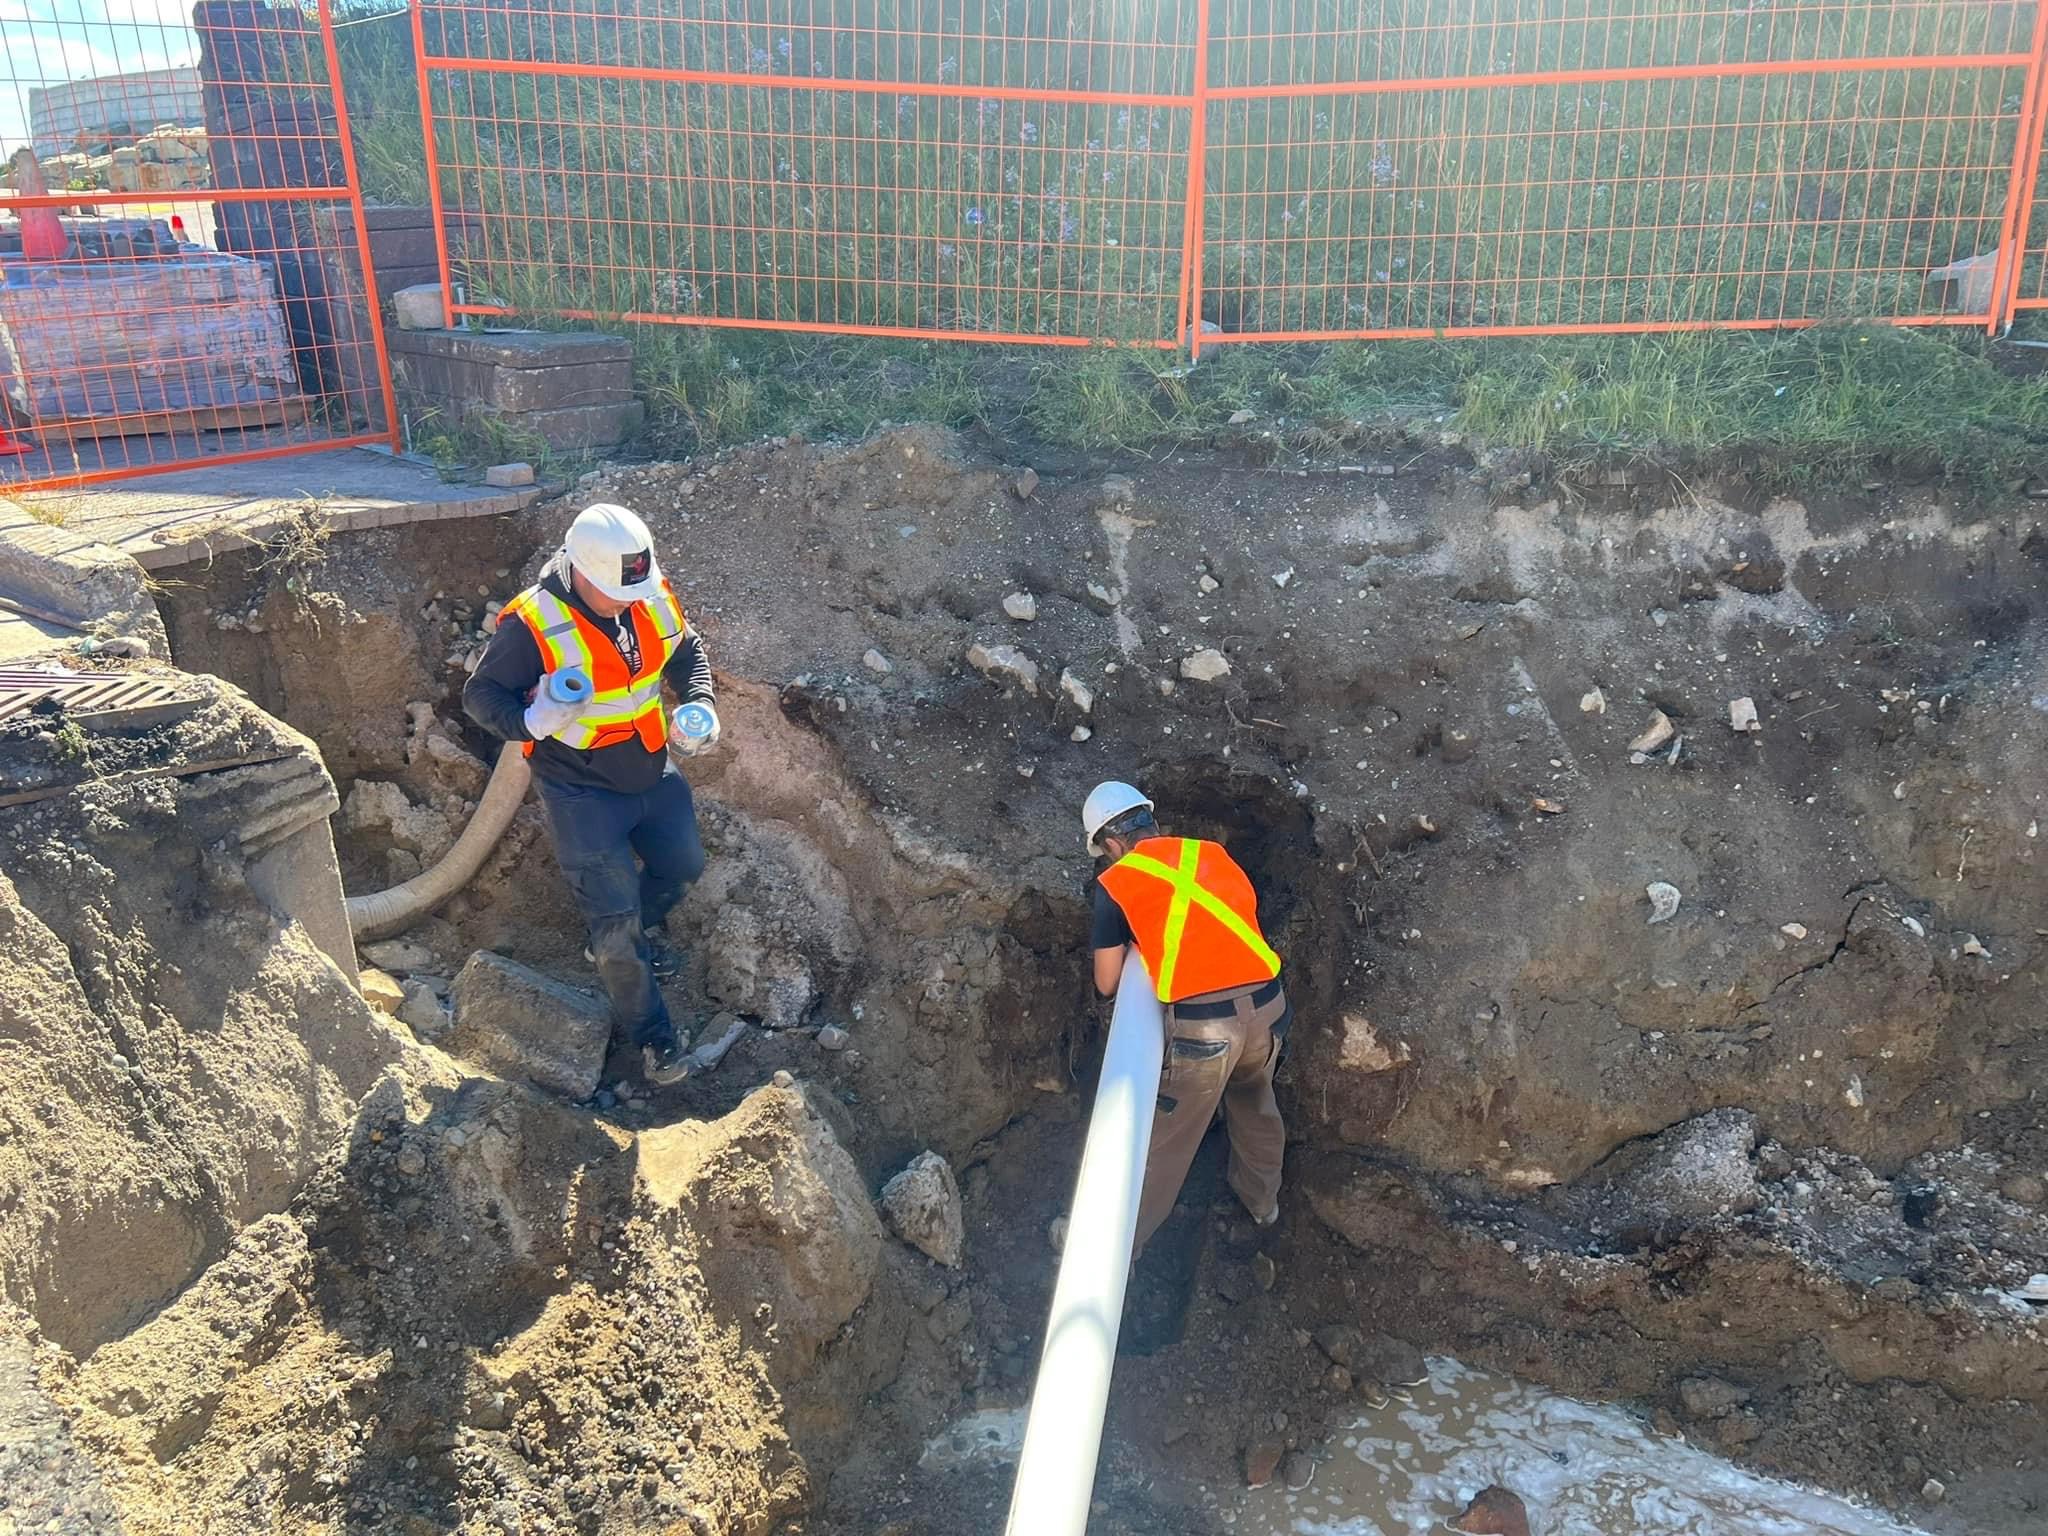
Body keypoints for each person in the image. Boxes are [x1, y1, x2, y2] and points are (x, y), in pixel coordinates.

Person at [464, 503, 718, 1087]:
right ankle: (655, 1042)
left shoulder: (648, 594)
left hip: (652, 770)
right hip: (581, 792)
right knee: (616, 927)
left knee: (684, 866)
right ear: (578, 571)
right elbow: (481, 698)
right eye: (613, 593)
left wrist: (699, 701)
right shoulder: (531, 624)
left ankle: (613, 944)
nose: (628, 602)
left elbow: (686, 653)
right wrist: (532, 721)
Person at [1083, 780, 1289, 1254]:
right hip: (1269, 1005)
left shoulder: (1118, 882)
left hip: (1207, 1029)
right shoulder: (1212, 854)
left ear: (1112, 844)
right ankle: (1263, 1206)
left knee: (1166, 1142)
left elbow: (1107, 981)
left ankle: (1118, 1250)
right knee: (1255, 1103)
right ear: (1149, 820)